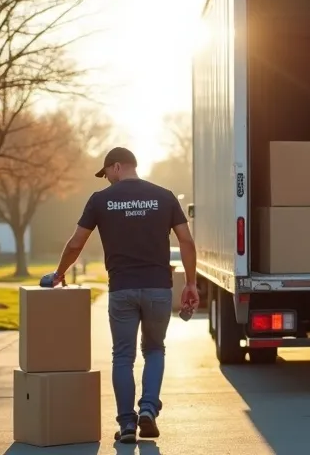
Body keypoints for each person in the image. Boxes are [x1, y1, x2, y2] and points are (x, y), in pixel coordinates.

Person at [50, 146, 199, 443]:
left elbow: (76, 243)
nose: (106, 180)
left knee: (123, 356)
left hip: (122, 289)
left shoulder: (100, 200)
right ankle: (148, 409)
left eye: (106, 173)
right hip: (158, 287)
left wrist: (59, 273)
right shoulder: (164, 196)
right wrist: (191, 283)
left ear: (117, 167)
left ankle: (128, 425)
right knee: (155, 349)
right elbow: (186, 240)